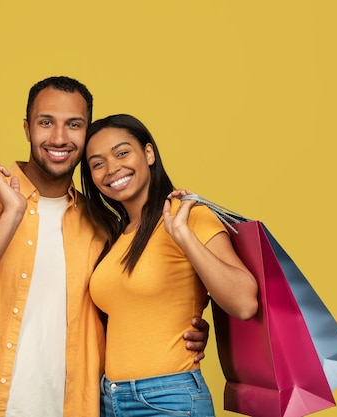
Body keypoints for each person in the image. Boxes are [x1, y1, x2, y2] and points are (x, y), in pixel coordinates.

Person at [0, 77, 211, 417]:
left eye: (73, 125)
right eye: (46, 122)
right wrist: (11, 214)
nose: (59, 138)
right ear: (27, 129)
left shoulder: (103, 226)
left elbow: (128, 306)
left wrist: (177, 328)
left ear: (86, 133)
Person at [80, 114, 259, 417]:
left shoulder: (188, 217)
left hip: (169, 399)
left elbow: (244, 303)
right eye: (97, 164)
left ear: (148, 153)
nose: (112, 169)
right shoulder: (114, 236)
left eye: (122, 153)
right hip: (111, 400)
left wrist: (184, 235)